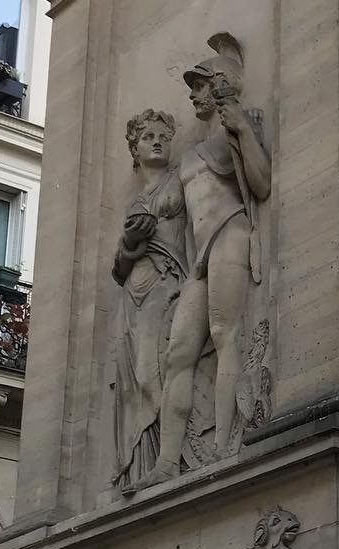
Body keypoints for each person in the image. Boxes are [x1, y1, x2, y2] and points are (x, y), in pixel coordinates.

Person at [144, 34, 270, 484]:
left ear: (218, 85)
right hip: (200, 258)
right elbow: (165, 208)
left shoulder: (239, 124)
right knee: (178, 353)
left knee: (226, 332)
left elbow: (260, 183)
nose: (192, 94)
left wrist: (241, 130)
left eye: (199, 85)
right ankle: (166, 462)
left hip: (231, 234)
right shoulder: (191, 154)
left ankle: (222, 447)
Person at [109, 110, 186, 486]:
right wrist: (131, 242)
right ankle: (142, 463)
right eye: (148, 137)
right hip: (132, 296)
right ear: (135, 149)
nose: (157, 141)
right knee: (134, 380)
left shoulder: (181, 179)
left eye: (163, 136)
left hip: (167, 282)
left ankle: (167, 459)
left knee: (150, 371)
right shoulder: (135, 201)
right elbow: (118, 268)